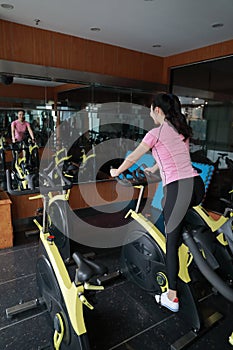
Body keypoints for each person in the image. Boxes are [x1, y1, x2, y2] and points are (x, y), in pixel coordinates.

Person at [110, 93, 205, 312]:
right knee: (174, 221)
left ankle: (172, 297)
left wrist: (117, 170)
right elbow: (175, 155)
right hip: (195, 186)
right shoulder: (180, 130)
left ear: (158, 110)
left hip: (179, 189)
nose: (151, 113)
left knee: (170, 243)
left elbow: (133, 156)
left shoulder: (155, 133)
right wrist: (153, 169)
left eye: (151, 109)